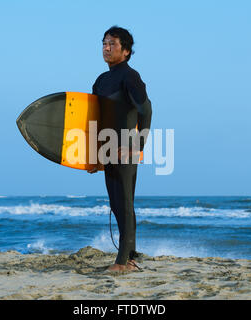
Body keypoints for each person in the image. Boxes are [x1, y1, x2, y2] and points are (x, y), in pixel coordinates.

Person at [88, 26, 152, 272]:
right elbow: (95, 119)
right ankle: (131, 255)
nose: (106, 48)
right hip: (107, 149)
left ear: (125, 51)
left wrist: (137, 145)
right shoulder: (101, 81)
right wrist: (94, 156)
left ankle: (123, 261)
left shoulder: (130, 76)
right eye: (104, 43)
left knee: (124, 202)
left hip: (125, 148)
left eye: (112, 44)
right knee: (116, 203)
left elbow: (147, 110)